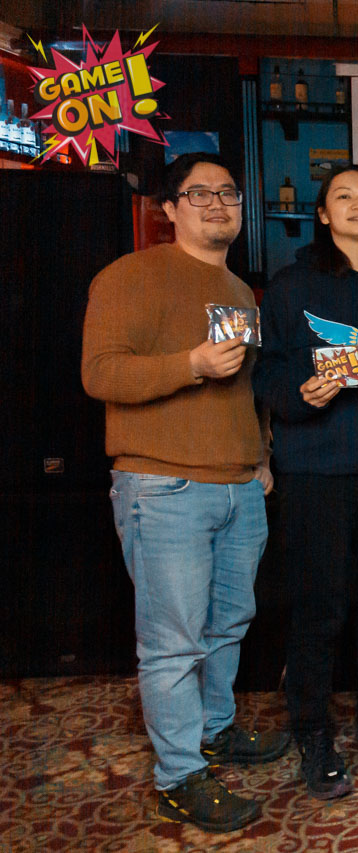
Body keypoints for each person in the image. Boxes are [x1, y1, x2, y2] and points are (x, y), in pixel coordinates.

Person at [81, 152, 288, 833]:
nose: (217, 203)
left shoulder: (239, 290)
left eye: (228, 192)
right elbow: (100, 374)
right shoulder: (128, 276)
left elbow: (247, 390)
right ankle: (178, 775)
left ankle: (213, 730)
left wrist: (260, 457)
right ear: (168, 209)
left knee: (228, 624)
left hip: (239, 487)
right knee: (173, 642)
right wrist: (190, 363)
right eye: (200, 194)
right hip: (163, 484)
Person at [254, 165, 358, 801]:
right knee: (319, 609)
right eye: (344, 197)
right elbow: (264, 376)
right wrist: (299, 395)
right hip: (315, 474)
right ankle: (313, 733)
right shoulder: (291, 286)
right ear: (323, 214)